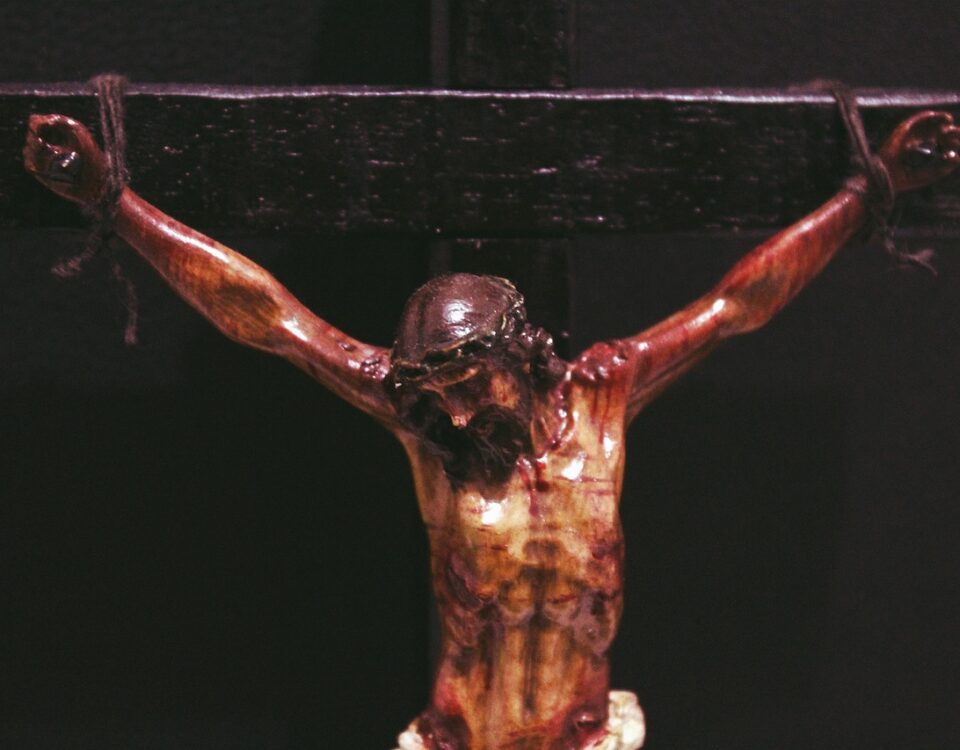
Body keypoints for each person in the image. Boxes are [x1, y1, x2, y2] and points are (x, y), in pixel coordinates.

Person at [24, 109, 960, 750]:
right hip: (459, 736)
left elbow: (736, 305)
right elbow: (269, 318)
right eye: (444, 395)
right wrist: (112, 202)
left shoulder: (604, 396)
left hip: (586, 736)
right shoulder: (428, 426)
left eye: (473, 385)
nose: (462, 413)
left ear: (523, 351)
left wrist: (870, 191)